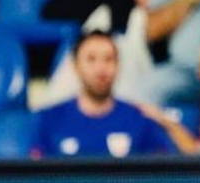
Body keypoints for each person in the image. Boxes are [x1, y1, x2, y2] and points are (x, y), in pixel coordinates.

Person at [31, 32, 176, 158]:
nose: (100, 69)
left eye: (108, 59)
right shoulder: (50, 119)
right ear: (75, 65)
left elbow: (161, 173)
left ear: (118, 65)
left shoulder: (139, 119)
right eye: (91, 59)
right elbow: (36, 173)